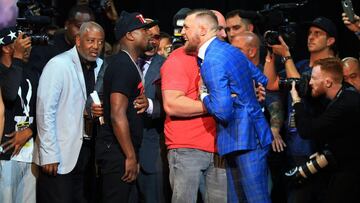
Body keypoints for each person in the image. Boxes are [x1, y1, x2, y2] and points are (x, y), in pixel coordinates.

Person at [182, 9, 273, 202]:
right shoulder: (229, 48)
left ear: (203, 30)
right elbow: (261, 79)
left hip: (244, 139)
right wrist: (243, 95)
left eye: (187, 28)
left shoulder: (212, 61)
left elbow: (223, 112)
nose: (182, 32)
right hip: (245, 137)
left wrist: (204, 94)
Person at [264, 16, 338, 203]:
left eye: (317, 34)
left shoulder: (335, 69)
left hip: (319, 148)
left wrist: (287, 55)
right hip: (295, 144)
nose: (310, 37)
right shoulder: (301, 65)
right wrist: (271, 55)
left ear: (330, 41)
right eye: (309, 33)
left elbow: (303, 89)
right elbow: (271, 84)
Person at [35, 21, 104, 203]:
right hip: (60, 155)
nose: (96, 46)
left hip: (88, 154)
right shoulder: (58, 64)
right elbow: (44, 111)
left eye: (100, 42)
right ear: (78, 40)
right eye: (91, 41)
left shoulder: (101, 66)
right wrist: (49, 153)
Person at [95, 11, 155, 203]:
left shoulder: (129, 63)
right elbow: (117, 114)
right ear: (130, 35)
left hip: (122, 150)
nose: (149, 34)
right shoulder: (122, 65)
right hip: (117, 152)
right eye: (144, 30)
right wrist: (129, 156)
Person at [290, 57, 360, 203]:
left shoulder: (345, 104)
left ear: (328, 82)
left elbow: (306, 131)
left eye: (314, 78)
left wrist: (296, 101)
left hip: (351, 173)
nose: (310, 83)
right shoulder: (344, 96)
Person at [134, 18, 170, 203]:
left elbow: (171, 104)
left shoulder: (167, 65)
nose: (153, 41)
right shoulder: (117, 61)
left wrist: (149, 105)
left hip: (153, 147)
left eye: (156, 37)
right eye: (149, 36)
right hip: (121, 151)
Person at [0, 27, 37, 203]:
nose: (27, 47)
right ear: (6, 47)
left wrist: (29, 130)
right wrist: (16, 59)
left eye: (28, 43)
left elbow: (42, 111)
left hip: (30, 152)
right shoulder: (3, 71)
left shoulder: (31, 73)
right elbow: (10, 94)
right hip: (5, 154)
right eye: (21, 43)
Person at [29, 5, 95, 74]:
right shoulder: (45, 49)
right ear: (67, 25)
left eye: (89, 29)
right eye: (79, 27)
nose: (83, 33)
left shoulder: (93, 50)